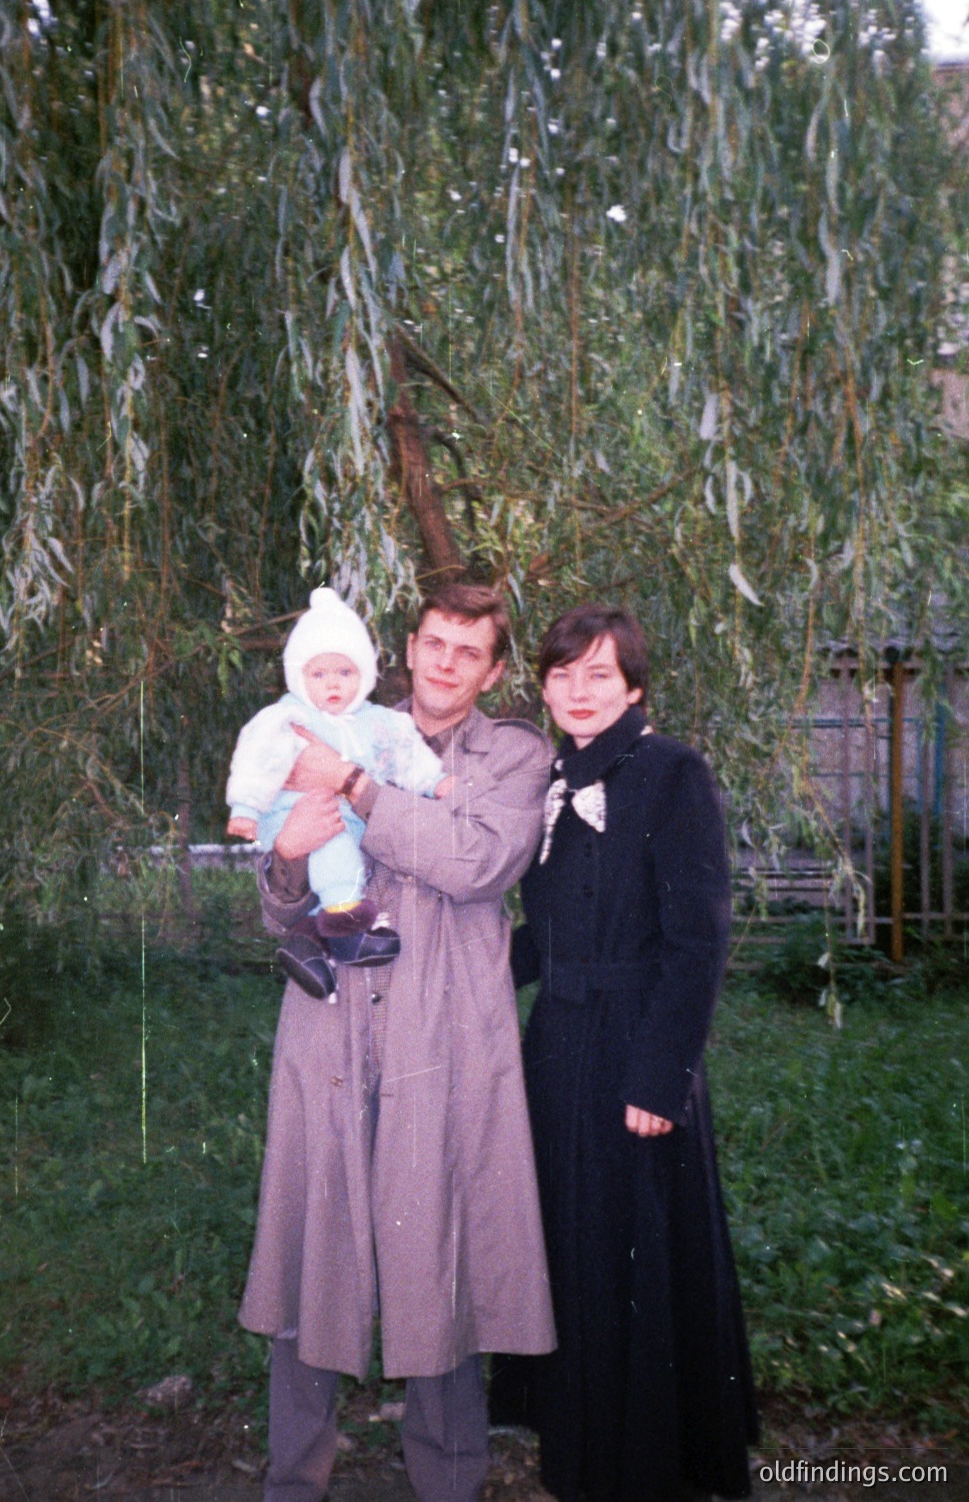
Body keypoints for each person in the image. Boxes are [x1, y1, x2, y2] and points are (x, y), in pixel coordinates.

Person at [238, 580, 557, 1502]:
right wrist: (290, 853)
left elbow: (474, 860)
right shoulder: (336, 718)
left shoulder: (512, 755)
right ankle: (292, 1479)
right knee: (312, 1237)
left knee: (441, 1247)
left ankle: (448, 1480)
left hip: (446, 1029)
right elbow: (278, 904)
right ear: (408, 648)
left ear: (493, 670)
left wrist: (350, 785)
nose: (445, 664)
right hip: (329, 1022)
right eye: (433, 644)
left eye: (468, 651)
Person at [491, 602, 758, 1502]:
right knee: (566, 1243)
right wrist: (461, 973)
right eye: (562, 674)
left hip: (637, 1049)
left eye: (598, 674)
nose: (577, 690)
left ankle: (644, 1460)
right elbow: (547, 930)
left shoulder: (672, 772)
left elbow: (697, 939)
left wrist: (661, 1074)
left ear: (634, 686)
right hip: (556, 1044)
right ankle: (578, 1444)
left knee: (630, 1246)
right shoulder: (550, 777)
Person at [225, 587, 451, 998]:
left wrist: (436, 782)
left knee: (345, 861)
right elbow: (256, 757)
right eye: (319, 674)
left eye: (345, 673)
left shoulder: (379, 722)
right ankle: (348, 933)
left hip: (345, 822)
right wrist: (245, 806)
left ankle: (308, 944)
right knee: (339, 860)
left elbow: (407, 757)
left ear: (364, 674)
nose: (333, 684)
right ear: (298, 676)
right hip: (305, 814)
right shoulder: (286, 717)